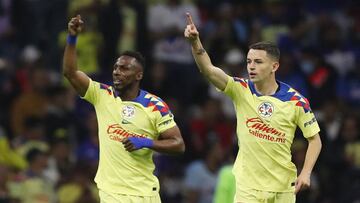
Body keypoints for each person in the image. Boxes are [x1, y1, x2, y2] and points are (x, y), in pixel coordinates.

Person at [184, 13, 322, 203]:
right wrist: (195, 42)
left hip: (283, 188)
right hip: (247, 188)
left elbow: (315, 140)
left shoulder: (296, 101)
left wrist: (306, 173)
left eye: (258, 62)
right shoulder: (240, 89)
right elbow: (208, 69)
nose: (251, 67)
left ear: (274, 66)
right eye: (249, 61)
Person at [63, 15, 185, 203]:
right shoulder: (102, 94)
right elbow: (70, 73)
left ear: (139, 75)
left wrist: (146, 142)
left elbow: (178, 144)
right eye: (116, 67)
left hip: (146, 193)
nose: (117, 72)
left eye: (124, 68)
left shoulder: (154, 105)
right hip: (112, 193)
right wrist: (72, 38)